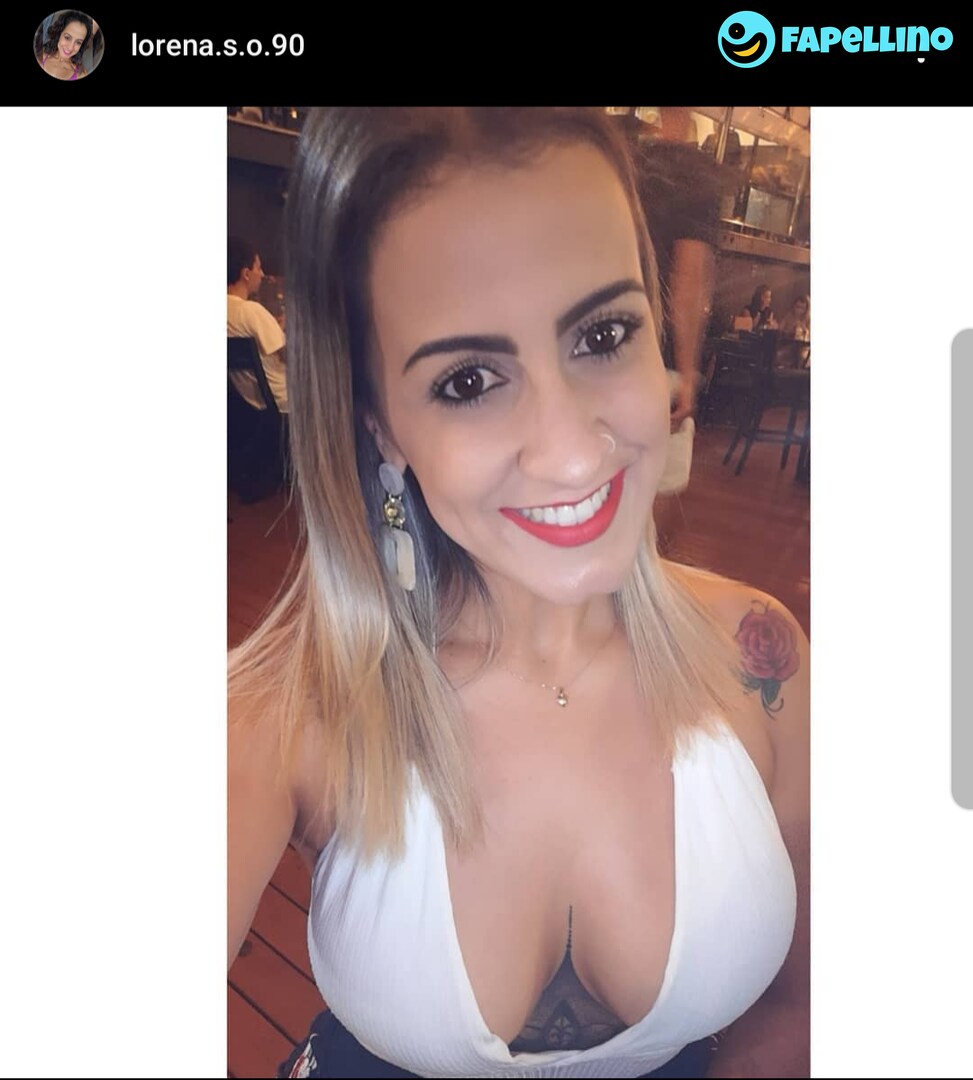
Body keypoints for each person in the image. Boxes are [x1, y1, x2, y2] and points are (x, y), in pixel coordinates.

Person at [229, 108, 809, 1079]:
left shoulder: (762, 656)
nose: (574, 451)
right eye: (466, 382)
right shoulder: (284, 710)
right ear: (379, 423)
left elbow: (806, 1003)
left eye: (604, 334)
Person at [227, 237, 287, 412]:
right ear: (246, 274)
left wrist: (275, 326)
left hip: (247, 405)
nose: (262, 274)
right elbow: (289, 355)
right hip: (282, 399)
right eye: (258, 268)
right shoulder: (251, 310)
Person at [34, 10, 92, 81]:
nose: (70, 47)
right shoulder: (39, 57)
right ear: (59, 33)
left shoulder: (82, 74)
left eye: (78, 42)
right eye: (67, 38)